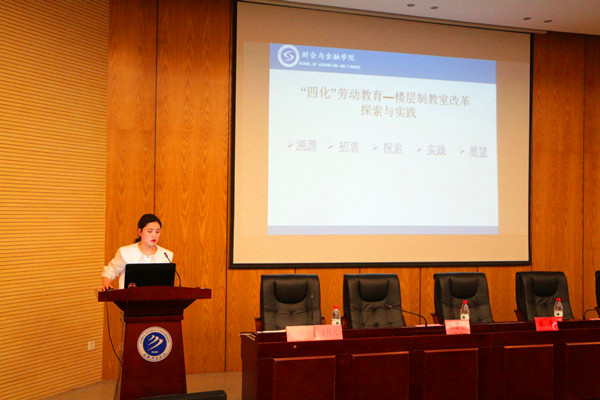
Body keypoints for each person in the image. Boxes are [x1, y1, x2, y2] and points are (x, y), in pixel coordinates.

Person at [101, 213, 173, 290]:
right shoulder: (125, 252)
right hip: (128, 296)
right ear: (140, 232)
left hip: (156, 296)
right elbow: (110, 272)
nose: (154, 235)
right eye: (150, 231)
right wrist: (106, 283)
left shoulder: (166, 255)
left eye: (157, 232)